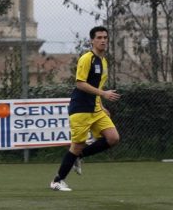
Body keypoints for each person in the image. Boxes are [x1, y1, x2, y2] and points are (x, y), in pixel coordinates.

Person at [50, 26, 121, 191]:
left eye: (105, 37)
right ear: (92, 40)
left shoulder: (103, 61)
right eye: (99, 37)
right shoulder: (86, 58)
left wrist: (101, 105)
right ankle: (57, 181)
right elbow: (80, 83)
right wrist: (103, 94)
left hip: (95, 109)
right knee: (76, 146)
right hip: (81, 108)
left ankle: (78, 157)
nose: (103, 40)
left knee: (113, 138)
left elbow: (96, 85)